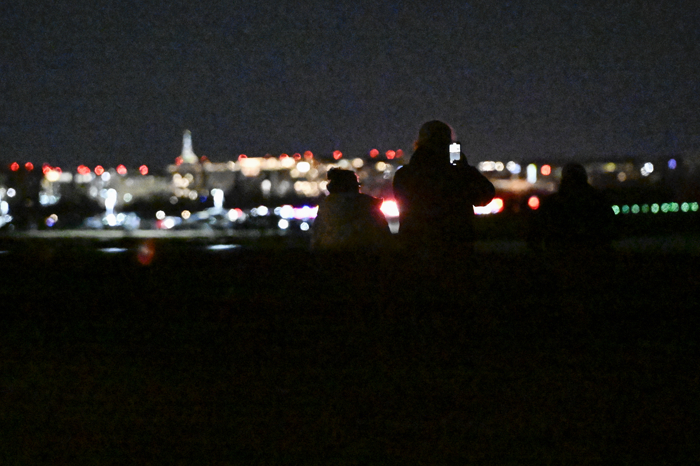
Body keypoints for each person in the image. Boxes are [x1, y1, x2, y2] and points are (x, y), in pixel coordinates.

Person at [392, 121, 495, 257]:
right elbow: (486, 194)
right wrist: (464, 168)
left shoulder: (404, 175)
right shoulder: (458, 174)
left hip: (416, 245)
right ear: (448, 144)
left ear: (418, 143)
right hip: (455, 247)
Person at [528, 162, 616, 252]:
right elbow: (610, 228)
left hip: (560, 253)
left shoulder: (552, 202)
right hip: (592, 252)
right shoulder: (598, 201)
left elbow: (538, 229)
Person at [311, 168, 392, 251]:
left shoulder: (325, 211)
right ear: (354, 187)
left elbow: (316, 240)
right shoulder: (369, 207)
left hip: (330, 256)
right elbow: (385, 238)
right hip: (366, 256)